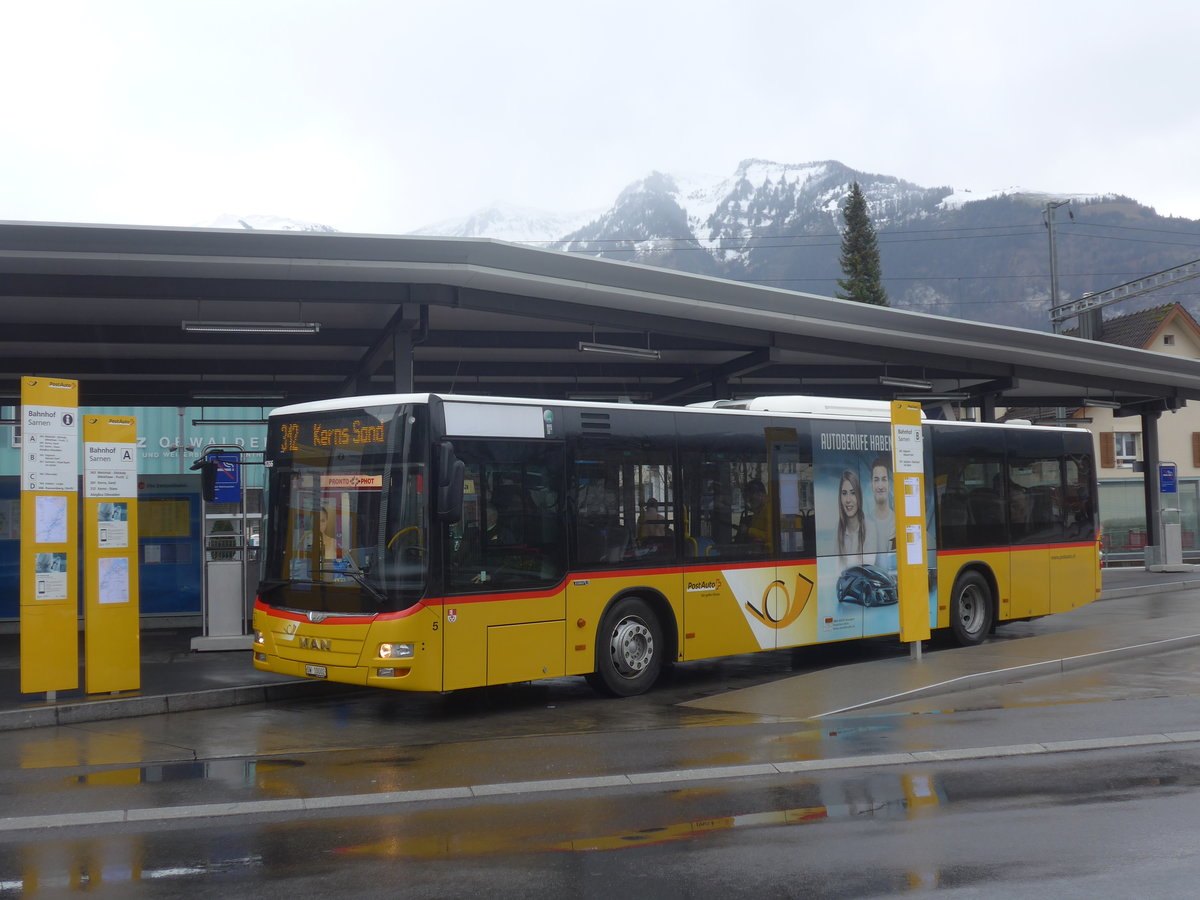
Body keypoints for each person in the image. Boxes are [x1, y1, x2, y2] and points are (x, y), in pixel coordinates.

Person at [836, 469, 876, 566]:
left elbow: (868, 567)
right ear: (840, 497)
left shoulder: (870, 528)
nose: (848, 500)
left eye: (853, 493)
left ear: (859, 496)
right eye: (844, 493)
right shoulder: (838, 531)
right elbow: (837, 569)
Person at [866, 455, 896, 554]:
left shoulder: (897, 522)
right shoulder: (864, 523)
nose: (880, 486)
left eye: (884, 479)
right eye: (876, 480)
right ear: (872, 485)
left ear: (889, 484)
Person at [738, 480, 770, 545]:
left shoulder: (769, 510)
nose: (749, 501)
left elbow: (770, 537)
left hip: (767, 552)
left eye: (751, 499)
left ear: (760, 494)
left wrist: (748, 530)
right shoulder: (759, 510)